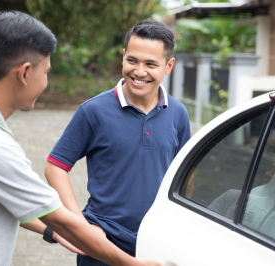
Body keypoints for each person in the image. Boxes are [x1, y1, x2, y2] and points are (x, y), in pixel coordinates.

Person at [0, 9, 161, 266]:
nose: (46, 81)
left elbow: (10, 196)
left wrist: (50, 231)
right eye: (45, 71)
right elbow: (61, 218)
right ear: (24, 73)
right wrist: (132, 263)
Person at [45, 20, 191, 265]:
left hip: (156, 242)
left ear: (169, 66)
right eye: (132, 60)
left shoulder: (178, 113)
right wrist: (81, 227)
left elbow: (186, 174)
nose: (139, 71)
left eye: (151, 64)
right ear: (123, 57)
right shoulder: (93, 111)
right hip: (102, 243)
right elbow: (55, 166)